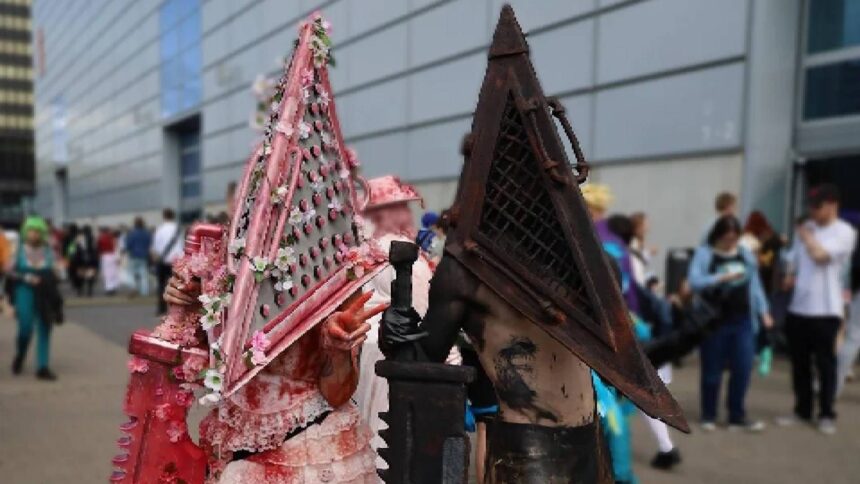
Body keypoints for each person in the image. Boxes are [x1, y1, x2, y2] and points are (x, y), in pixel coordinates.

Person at [779, 185, 857, 435]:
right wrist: (789, 275)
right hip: (799, 307)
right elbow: (793, 258)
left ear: (832, 205)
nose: (812, 211)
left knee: (825, 365)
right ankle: (802, 410)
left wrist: (806, 236)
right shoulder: (808, 228)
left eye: (817, 206)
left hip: (826, 309)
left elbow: (821, 256)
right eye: (811, 206)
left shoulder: (844, 231)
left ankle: (826, 413)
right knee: (799, 364)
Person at [689, 215, 773, 432]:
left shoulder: (745, 255)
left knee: (743, 367)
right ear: (717, 236)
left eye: (734, 239)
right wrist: (719, 278)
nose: (730, 243)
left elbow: (755, 285)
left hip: (742, 320)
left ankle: (737, 414)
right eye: (726, 239)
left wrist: (764, 311)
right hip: (714, 321)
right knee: (712, 369)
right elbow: (694, 281)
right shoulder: (705, 254)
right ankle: (709, 414)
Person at [7, 216, 63, 380]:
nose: (34, 234)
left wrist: (57, 272)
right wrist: (26, 277)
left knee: (45, 326)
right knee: (25, 327)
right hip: (24, 289)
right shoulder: (18, 249)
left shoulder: (49, 250)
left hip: (45, 291)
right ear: (26, 232)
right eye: (31, 230)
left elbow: (59, 270)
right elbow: (9, 271)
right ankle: (20, 354)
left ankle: (42, 366)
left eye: (38, 231)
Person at [152, 208, 184, 314]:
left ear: (164, 216)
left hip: (163, 260)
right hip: (176, 261)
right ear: (173, 216)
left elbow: (156, 247)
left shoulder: (159, 229)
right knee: (177, 285)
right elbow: (182, 245)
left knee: (161, 285)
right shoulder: (178, 229)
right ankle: (177, 308)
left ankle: (161, 308)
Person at [125, 217, 152, 296]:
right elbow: (149, 243)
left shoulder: (131, 233)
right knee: (143, 274)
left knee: (131, 273)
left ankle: (134, 287)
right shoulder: (146, 233)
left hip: (133, 255)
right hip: (143, 256)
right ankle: (144, 292)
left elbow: (128, 245)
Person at [68, 225, 98, 297]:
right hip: (90, 259)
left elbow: (72, 247)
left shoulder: (78, 238)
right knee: (90, 274)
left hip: (80, 259)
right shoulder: (92, 238)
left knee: (80, 274)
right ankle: (89, 290)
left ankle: (80, 290)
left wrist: (71, 255)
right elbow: (95, 248)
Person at [97, 226, 120, 295]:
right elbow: (116, 247)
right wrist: (118, 257)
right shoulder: (113, 238)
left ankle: (109, 288)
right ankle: (114, 287)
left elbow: (99, 248)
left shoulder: (100, 238)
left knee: (107, 273)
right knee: (114, 272)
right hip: (113, 255)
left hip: (105, 256)